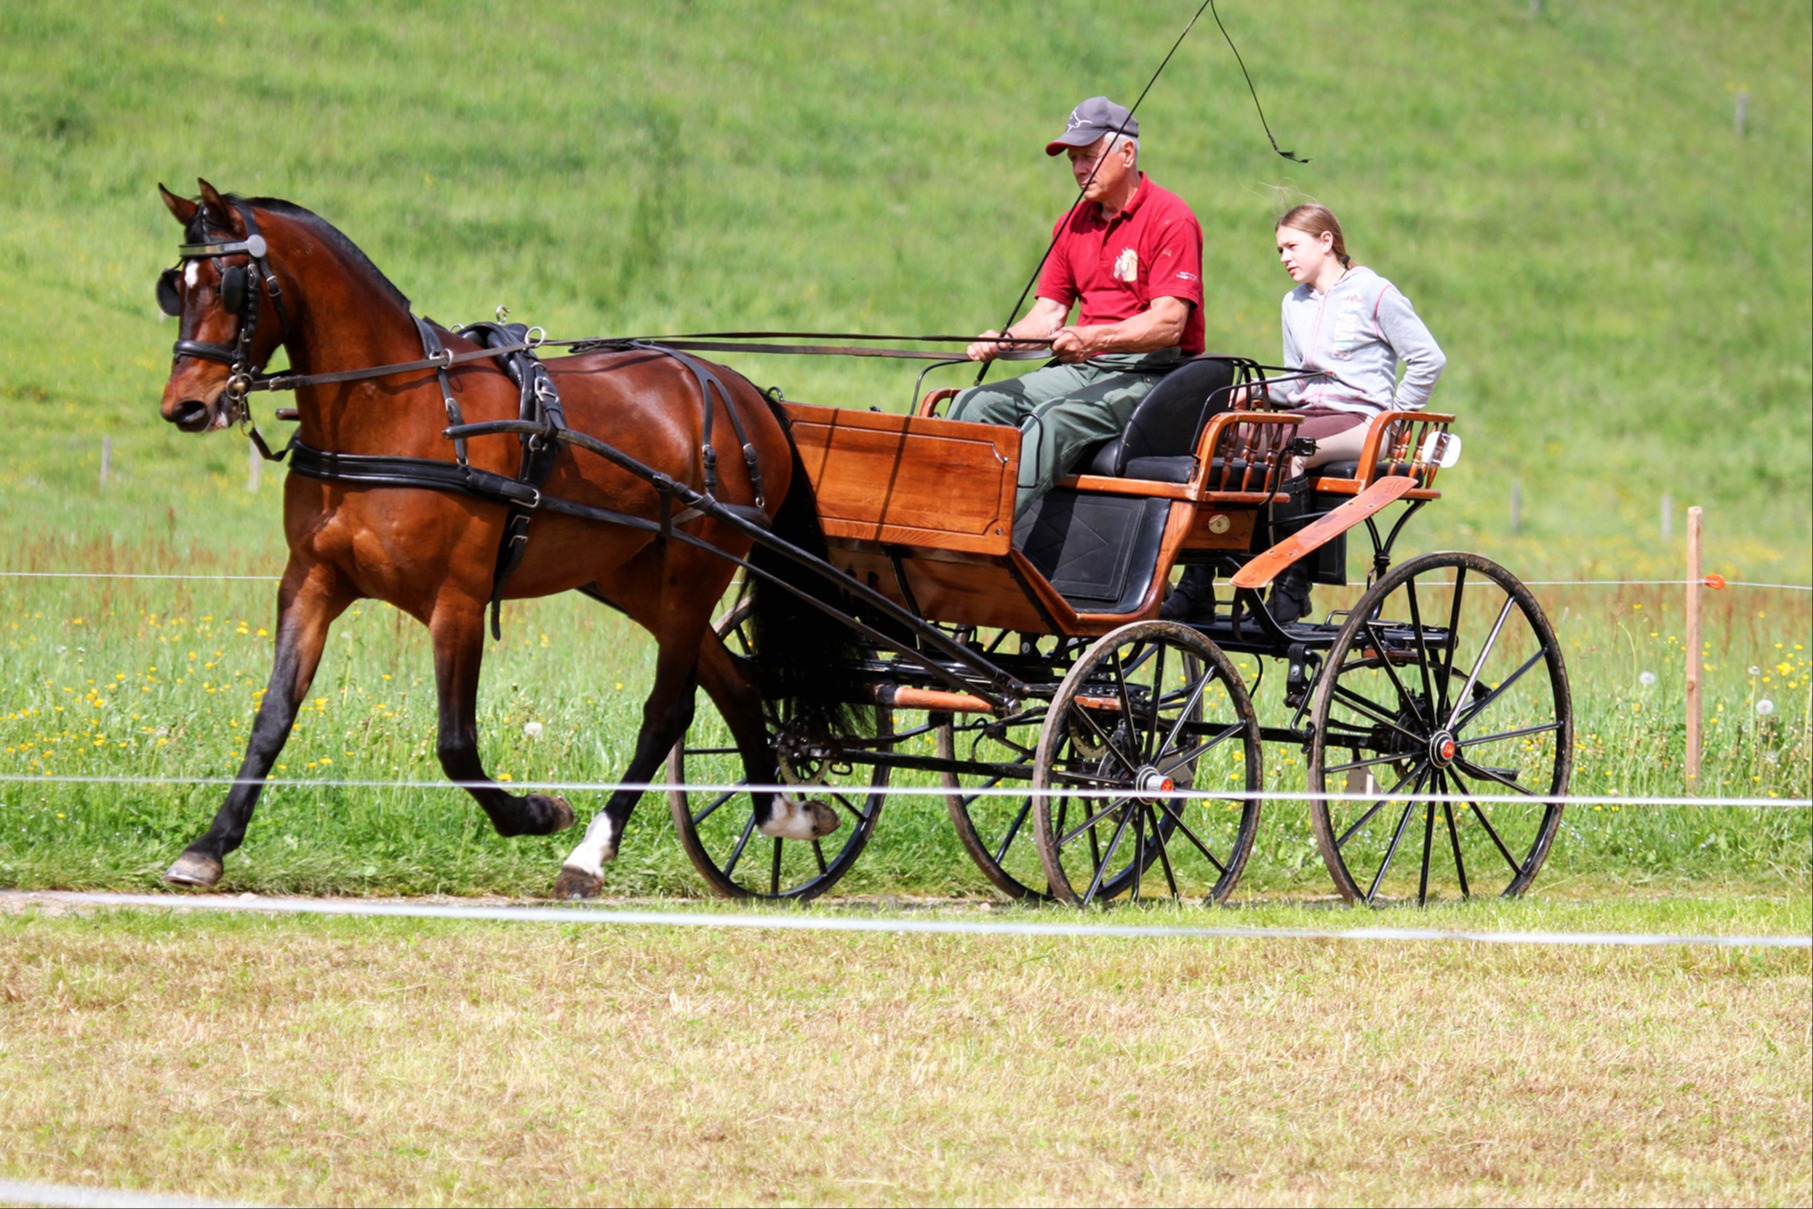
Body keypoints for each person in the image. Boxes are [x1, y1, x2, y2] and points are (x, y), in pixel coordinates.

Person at [1163, 203, 1446, 623]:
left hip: (1363, 421)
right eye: (1280, 250)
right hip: (1310, 415)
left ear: (1326, 241)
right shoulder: (1292, 304)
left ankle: (1293, 585)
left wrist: (1396, 414)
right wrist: (1254, 391)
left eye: (1292, 246)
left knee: (1287, 449)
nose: (1284, 258)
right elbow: (1297, 384)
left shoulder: (1374, 292)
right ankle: (1198, 583)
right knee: (1223, 441)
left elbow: (1428, 359)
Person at [951, 96, 1206, 520]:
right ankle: (938, 517)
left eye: (1089, 156)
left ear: (1127, 153)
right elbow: (1048, 316)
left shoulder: (1170, 218)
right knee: (973, 403)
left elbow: (1169, 323)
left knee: (1051, 419)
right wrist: (1005, 341)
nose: (1079, 170)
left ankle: (982, 531)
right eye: (1074, 160)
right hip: (1087, 365)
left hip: (1152, 373)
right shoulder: (1072, 222)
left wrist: (1092, 337)